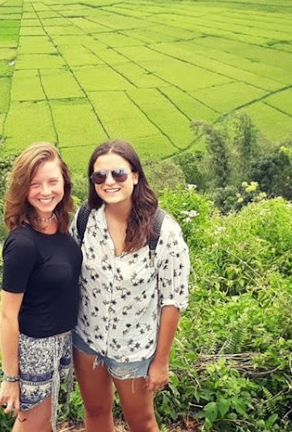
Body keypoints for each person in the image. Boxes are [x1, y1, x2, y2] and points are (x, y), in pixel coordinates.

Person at [71, 139, 190, 432]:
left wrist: (161, 361)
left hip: (134, 349)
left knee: (142, 423)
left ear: (135, 175)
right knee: (96, 412)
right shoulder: (86, 219)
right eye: (100, 176)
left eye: (119, 174)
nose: (109, 182)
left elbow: (173, 301)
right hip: (88, 340)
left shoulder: (162, 230)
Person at [0, 142, 83, 432]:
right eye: (35, 184)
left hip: (60, 341)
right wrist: (11, 378)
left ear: (64, 183)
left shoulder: (61, 225)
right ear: (23, 189)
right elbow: (8, 314)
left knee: (39, 427)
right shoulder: (23, 243)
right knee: (35, 428)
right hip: (35, 348)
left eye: (52, 181)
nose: (46, 191)